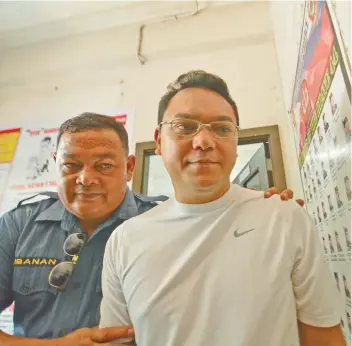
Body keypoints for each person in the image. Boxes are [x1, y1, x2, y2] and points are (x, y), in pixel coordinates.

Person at [0, 112, 299, 345]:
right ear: (55, 164)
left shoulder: (169, 222)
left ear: (130, 167)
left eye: (104, 166)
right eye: (71, 166)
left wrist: (262, 213)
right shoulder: (18, 224)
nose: (85, 179)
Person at [100, 71, 345, 346]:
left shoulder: (285, 219)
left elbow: (325, 338)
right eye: (184, 126)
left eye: (221, 128)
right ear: (158, 141)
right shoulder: (124, 242)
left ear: (235, 142)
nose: (204, 142)